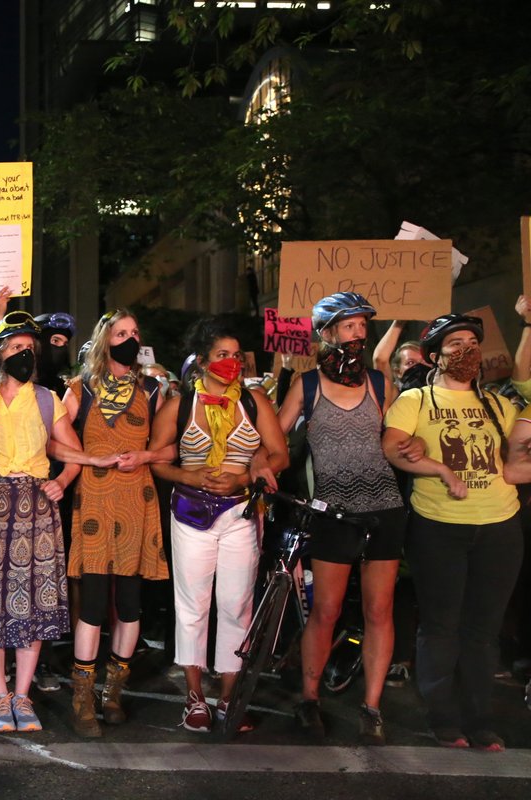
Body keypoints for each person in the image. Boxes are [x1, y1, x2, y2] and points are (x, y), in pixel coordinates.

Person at [268, 293, 410, 743]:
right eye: (349, 326)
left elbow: (396, 437)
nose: (359, 334)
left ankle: (371, 707)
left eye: (362, 326)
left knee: (379, 610)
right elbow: (275, 437)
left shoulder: (379, 383)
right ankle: (310, 700)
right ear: (326, 332)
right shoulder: (307, 386)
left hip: (384, 509)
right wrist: (258, 465)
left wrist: (416, 447)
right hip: (334, 512)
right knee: (326, 610)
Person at [0, 313, 117, 732]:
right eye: (15, 347)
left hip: (36, 508)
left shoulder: (47, 399)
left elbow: (70, 450)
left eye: (29, 347)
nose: (25, 353)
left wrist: (63, 481)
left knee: (32, 604)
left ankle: (24, 696)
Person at [383, 313, 521, 752]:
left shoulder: (501, 406)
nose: (466, 350)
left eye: (472, 343)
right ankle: (444, 718)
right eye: (455, 343)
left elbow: (517, 462)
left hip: (499, 528)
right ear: (434, 355)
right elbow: (393, 449)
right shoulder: (416, 401)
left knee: (483, 629)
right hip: (438, 529)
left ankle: (481, 719)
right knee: (441, 626)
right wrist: (439, 467)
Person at [148, 315, 288, 734]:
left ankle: (229, 696)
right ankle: (194, 697)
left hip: (240, 513)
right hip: (190, 513)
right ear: (203, 361)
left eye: (235, 355)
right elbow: (157, 460)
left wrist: (245, 476)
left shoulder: (254, 401)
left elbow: (279, 454)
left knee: (236, 604)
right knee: (192, 606)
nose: (231, 362)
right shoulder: (179, 405)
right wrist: (189, 476)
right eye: (221, 355)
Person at [58, 309, 173, 737]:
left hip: (137, 502)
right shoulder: (78, 390)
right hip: (94, 504)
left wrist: (145, 455)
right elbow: (53, 440)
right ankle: (82, 697)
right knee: (91, 604)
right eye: (120, 333)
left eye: (134, 333)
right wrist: (90, 458)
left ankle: (113, 693)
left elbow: (170, 449)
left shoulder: (154, 390)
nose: (128, 339)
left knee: (129, 603)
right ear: (105, 340)